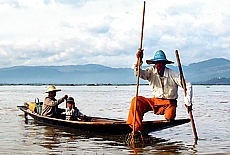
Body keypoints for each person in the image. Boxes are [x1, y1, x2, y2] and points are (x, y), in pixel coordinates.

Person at [126, 49, 192, 134]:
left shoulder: (172, 74)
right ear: (155, 64)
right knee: (136, 101)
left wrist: (188, 101)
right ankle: (137, 128)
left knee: (169, 117)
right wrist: (139, 60)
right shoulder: (150, 71)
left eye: (161, 63)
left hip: (169, 102)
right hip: (155, 101)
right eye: (157, 63)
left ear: (164, 64)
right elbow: (138, 73)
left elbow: (188, 85)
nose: (159, 65)